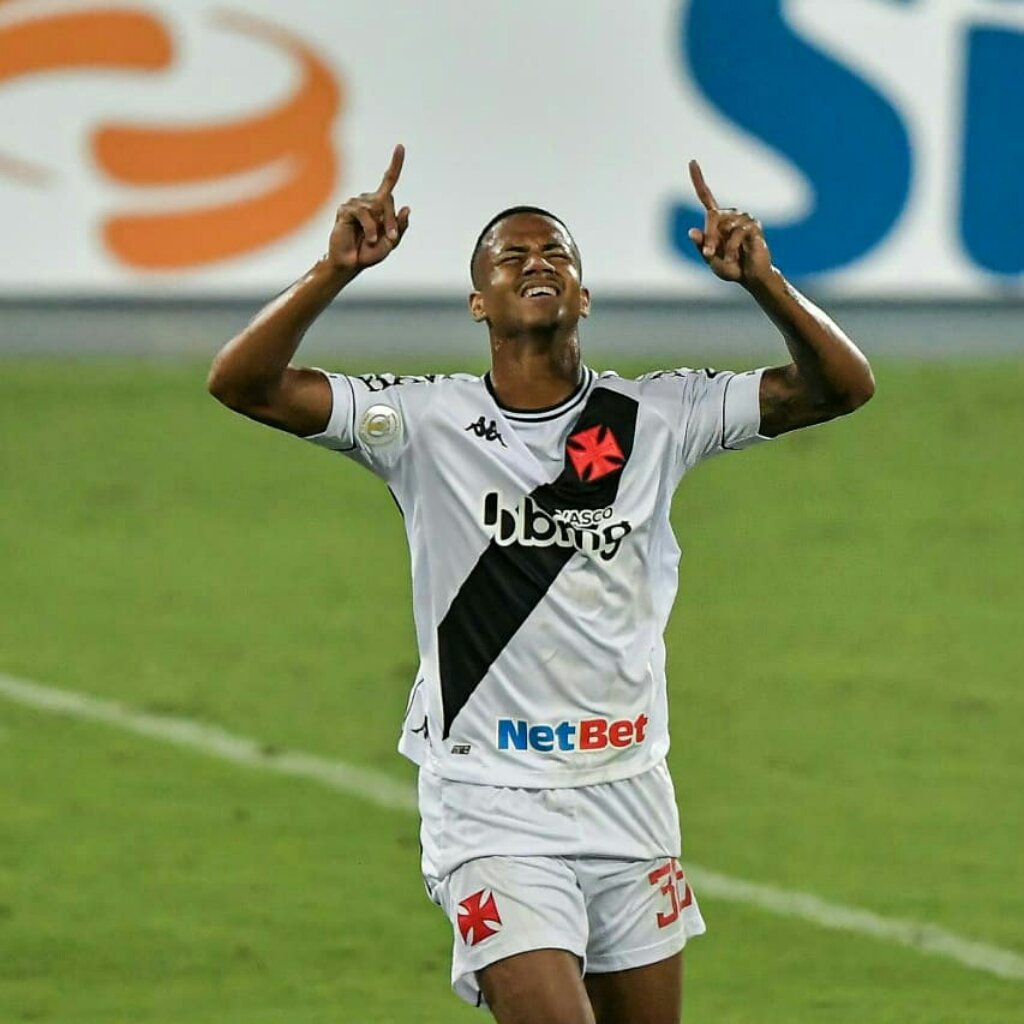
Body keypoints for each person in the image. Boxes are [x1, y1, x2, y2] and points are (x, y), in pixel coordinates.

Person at [208, 144, 874, 1024]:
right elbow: (242, 383)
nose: (537, 263)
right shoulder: (422, 422)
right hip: (491, 802)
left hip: (629, 785)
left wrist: (765, 282)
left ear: (584, 296)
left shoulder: (658, 416)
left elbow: (841, 388)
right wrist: (334, 271)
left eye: (557, 252)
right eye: (511, 256)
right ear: (478, 303)